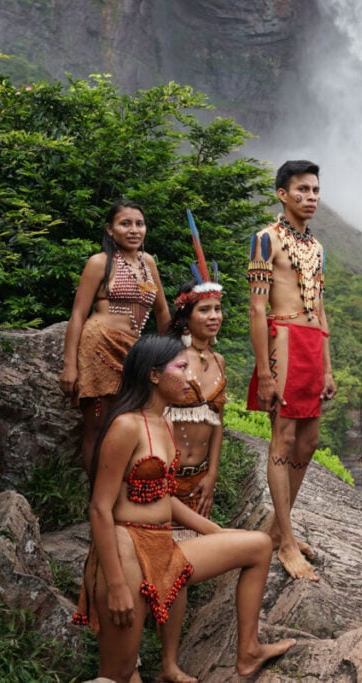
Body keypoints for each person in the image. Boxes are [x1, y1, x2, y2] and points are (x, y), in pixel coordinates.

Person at [72, 335, 294, 682]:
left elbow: (165, 497)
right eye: (181, 367)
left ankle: (248, 652)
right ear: (154, 375)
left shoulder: (164, 422)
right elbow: (100, 508)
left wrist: (217, 533)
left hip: (165, 548)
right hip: (125, 550)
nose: (190, 376)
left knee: (257, 545)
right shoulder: (126, 425)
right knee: (118, 673)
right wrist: (115, 583)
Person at [247, 160, 336, 582]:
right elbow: (257, 307)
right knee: (283, 438)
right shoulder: (266, 240)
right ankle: (284, 541)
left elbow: (319, 307)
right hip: (282, 341)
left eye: (315, 190)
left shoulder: (317, 247)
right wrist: (264, 371)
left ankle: (277, 528)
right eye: (302, 190)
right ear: (283, 194)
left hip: (311, 345)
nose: (311, 197)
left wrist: (328, 366)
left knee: (310, 440)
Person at [60, 199, 171, 477]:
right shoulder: (99, 263)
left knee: (130, 423)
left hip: (135, 354)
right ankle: (97, 500)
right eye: (125, 224)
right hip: (99, 347)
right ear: (110, 230)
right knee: (98, 426)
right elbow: (77, 314)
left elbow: (162, 312)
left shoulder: (148, 263)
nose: (134, 230)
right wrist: (70, 365)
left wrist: (170, 358)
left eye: (139, 224)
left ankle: (122, 494)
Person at [159, 273, 226, 683]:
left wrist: (213, 474)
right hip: (165, 482)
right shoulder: (170, 358)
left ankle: (169, 659)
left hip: (199, 481)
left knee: (181, 571)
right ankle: (161, 663)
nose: (214, 316)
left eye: (218, 309)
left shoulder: (218, 361)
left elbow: (217, 421)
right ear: (186, 314)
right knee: (170, 571)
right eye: (205, 309)